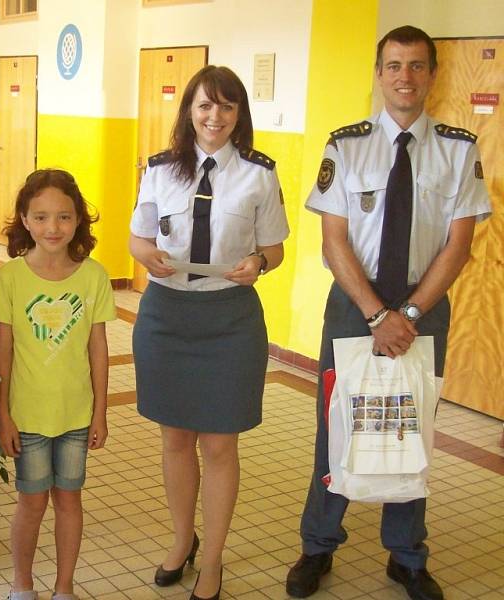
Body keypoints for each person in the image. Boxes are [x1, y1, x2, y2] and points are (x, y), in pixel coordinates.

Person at [286, 26, 492, 600]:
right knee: (338, 425)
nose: (406, 76)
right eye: (395, 65)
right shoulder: (346, 146)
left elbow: (459, 245)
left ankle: (406, 556)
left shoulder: (458, 148)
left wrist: (411, 310)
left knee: (409, 425)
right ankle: (318, 545)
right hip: (356, 305)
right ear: (379, 74)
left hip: (423, 304)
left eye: (417, 66)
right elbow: (334, 243)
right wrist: (379, 315)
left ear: (432, 75)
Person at [129, 65, 289, 600]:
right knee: (175, 439)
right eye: (204, 105)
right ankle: (182, 541)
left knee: (220, 445)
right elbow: (137, 238)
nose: (213, 116)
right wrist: (146, 254)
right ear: (188, 112)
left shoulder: (259, 175)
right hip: (167, 317)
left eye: (225, 106)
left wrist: (259, 263)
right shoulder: (159, 170)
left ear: (239, 114)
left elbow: (276, 249)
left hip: (229, 320)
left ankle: (214, 559)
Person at [0, 169, 116, 600]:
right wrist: (1, 413)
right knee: (31, 503)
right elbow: (2, 349)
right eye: (41, 217)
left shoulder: (93, 276)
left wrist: (100, 410)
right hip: (26, 415)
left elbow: (98, 349)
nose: (53, 227)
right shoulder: (9, 277)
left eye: (64, 217)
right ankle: (21, 585)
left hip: (75, 415)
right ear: (24, 220)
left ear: (79, 220)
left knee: (69, 501)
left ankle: (64, 587)